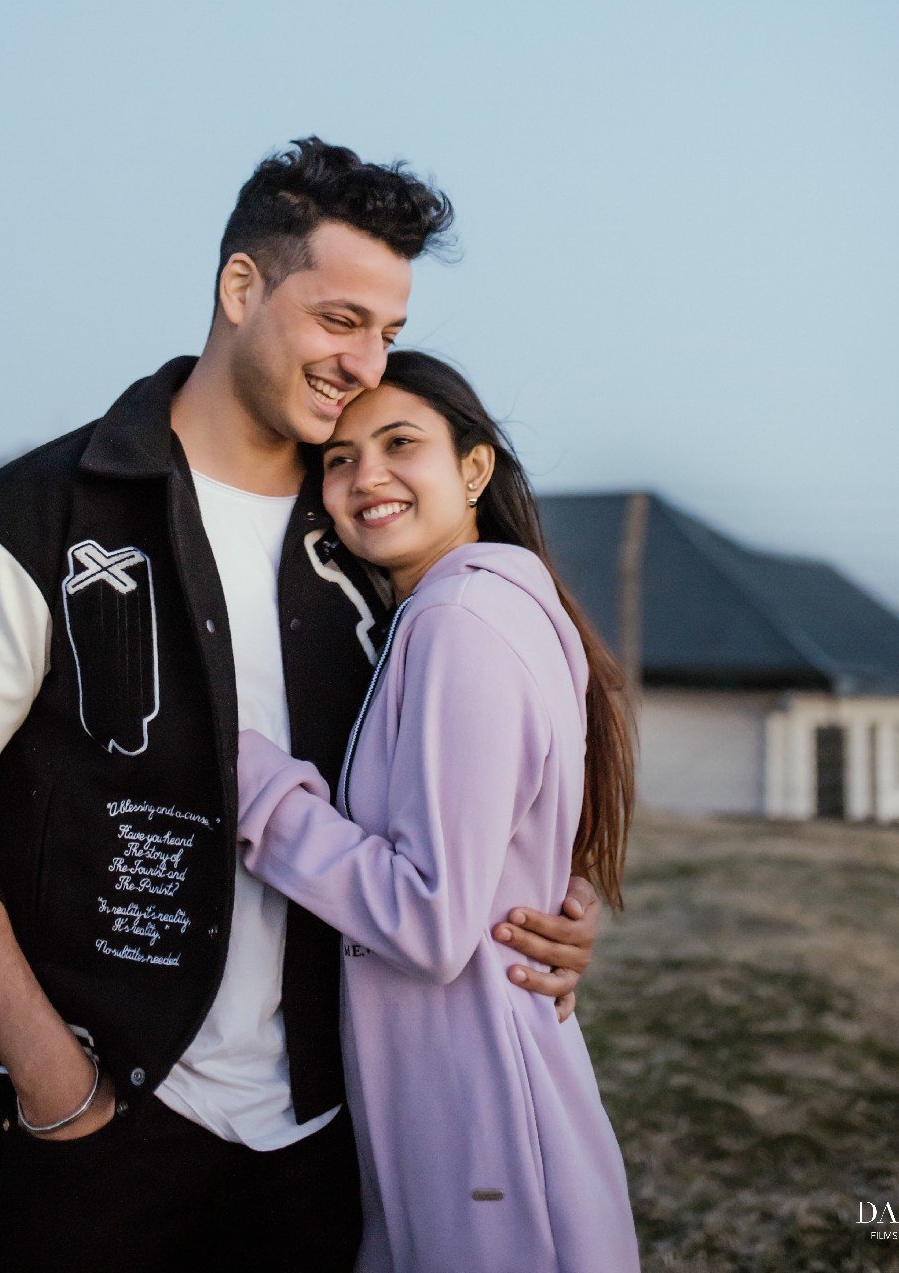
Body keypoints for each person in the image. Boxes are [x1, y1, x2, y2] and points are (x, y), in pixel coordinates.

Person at [0, 138, 601, 1272]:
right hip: (92, 1135)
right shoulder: (36, 517)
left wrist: (542, 902)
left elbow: (463, 770)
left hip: (325, 1140)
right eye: (341, 319)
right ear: (242, 288)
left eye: (389, 334)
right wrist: (54, 1080)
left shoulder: (364, 543)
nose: (365, 362)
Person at [235, 350, 641, 1272]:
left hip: (482, 1116)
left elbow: (430, 919)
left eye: (399, 443)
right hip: (461, 1090)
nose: (365, 476)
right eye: (338, 458)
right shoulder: (475, 610)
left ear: (473, 468)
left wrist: (251, 777)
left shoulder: (461, 621)